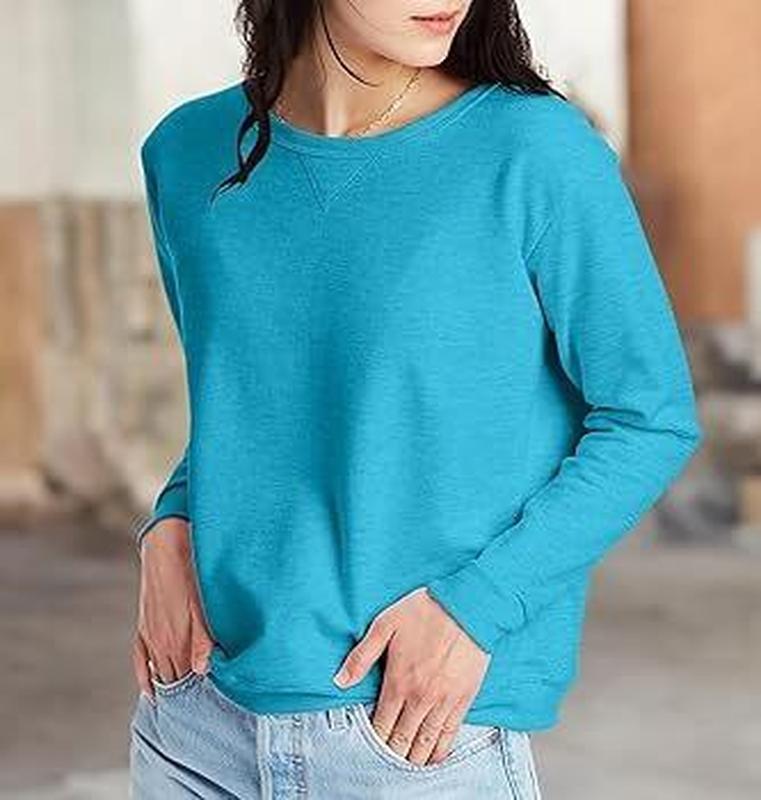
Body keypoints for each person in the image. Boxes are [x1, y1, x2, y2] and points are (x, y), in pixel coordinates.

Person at [127, 1, 703, 797]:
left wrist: (477, 605)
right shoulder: (186, 153)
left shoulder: (533, 150)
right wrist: (169, 522)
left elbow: (648, 419)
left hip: (409, 734)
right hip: (193, 725)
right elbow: (251, 400)